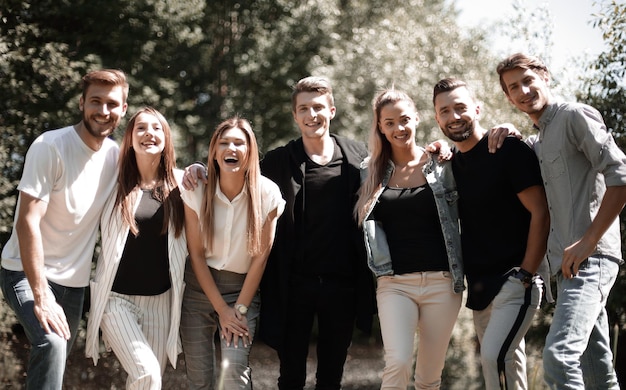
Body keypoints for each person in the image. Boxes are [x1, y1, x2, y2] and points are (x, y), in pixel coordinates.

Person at [495, 53, 626, 390]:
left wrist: (589, 240)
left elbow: (620, 176)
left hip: (592, 259)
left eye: (528, 80)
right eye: (514, 88)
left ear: (545, 77)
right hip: (569, 268)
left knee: (558, 357)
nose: (523, 90)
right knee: (597, 371)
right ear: (508, 98)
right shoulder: (538, 142)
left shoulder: (573, 116)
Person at [0, 69, 128, 389]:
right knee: (53, 344)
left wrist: (195, 171)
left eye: (111, 103)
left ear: (123, 109)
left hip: (74, 285)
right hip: (24, 272)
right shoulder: (50, 146)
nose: (103, 111)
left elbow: (158, 170)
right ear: (82, 103)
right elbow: (27, 220)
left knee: (55, 359)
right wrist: (41, 294)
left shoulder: (115, 156)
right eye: (95, 102)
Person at [258, 76, 377, 390]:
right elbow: (234, 172)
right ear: (295, 116)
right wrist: (198, 168)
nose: (312, 115)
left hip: (343, 284)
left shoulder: (357, 156)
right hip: (294, 284)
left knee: (331, 378)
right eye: (304, 109)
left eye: (319, 107)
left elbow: (397, 166)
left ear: (332, 110)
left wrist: (437, 151)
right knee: (291, 376)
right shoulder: (280, 160)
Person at [432, 77, 550, 389]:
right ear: (436, 118)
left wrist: (525, 274)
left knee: (494, 359)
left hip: (515, 279)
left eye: (460, 108)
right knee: (505, 367)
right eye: (445, 111)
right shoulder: (452, 165)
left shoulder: (507, 150)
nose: (454, 117)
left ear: (478, 109)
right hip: (480, 288)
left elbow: (541, 211)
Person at [354, 89, 464, 389]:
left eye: (404, 119)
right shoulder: (369, 172)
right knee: (398, 361)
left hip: (443, 282)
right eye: (389, 122)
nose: (398, 128)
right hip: (394, 283)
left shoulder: (443, 165)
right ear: (380, 127)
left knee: (429, 376)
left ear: (417, 118)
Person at [84, 107, 187, 389]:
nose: (148, 133)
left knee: (148, 383)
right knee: (147, 375)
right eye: (140, 128)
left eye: (156, 128)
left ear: (166, 138)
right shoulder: (112, 184)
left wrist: (199, 169)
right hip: (116, 301)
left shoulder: (181, 185)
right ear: (129, 138)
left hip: (161, 302)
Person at [180, 116, 284, 389]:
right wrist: (220, 309)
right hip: (198, 290)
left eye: (240, 142)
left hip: (242, 293)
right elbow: (197, 255)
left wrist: (236, 309)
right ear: (214, 152)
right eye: (224, 143)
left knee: (234, 373)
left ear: (250, 151)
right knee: (199, 379)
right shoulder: (196, 191)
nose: (232, 148)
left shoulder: (267, 193)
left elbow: (261, 257)